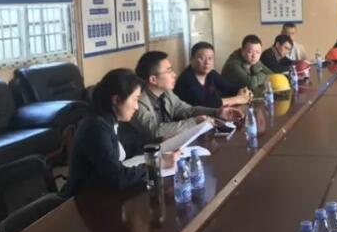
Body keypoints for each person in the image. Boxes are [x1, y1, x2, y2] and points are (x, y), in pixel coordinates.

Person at [63, 68, 146, 196]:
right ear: (116, 100)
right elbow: (117, 177)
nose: (137, 106)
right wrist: (153, 165)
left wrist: (156, 150)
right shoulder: (95, 128)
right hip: (84, 200)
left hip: (104, 192)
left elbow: (131, 147)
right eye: (135, 99)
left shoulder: (112, 121)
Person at [131, 51, 243, 142]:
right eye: (169, 71)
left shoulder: (166, 93)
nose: (174, 75)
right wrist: (194, 122)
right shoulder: (138, 101)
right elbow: (155, 131)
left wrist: (216, 112)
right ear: (153, 79)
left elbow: (188, 110)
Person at [174, 42, 252, 108]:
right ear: (192, 60)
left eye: (210, 58)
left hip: (208, 116)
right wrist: (238, 99)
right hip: (189, 119)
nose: (207, 62)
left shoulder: (211, 73)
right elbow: (206, 104)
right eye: (202, 58)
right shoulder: (186, 79)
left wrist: (244, 91)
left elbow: (229, 86)